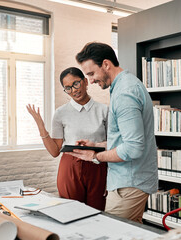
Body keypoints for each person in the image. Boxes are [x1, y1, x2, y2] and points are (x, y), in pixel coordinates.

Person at [69, 42, 158, 223]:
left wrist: (95, 156)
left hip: (129, 184)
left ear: (106, 64)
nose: (91, 81)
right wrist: (97, 146)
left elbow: (133, 148)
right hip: (130, 181)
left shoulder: (125, 93)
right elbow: (126, 140)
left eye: (92, 74)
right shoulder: (126, 85)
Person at [26, 67, 108, 211]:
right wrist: (41, 126)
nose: (73, 90)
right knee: (70, 212)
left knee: (97, 213)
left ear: (85, 82)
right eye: (68, 88)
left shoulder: (104, 110)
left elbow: (113, 143)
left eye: (76, 84)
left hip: (98, 166)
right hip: (70, 168)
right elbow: (54, 151)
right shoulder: (61, 113)